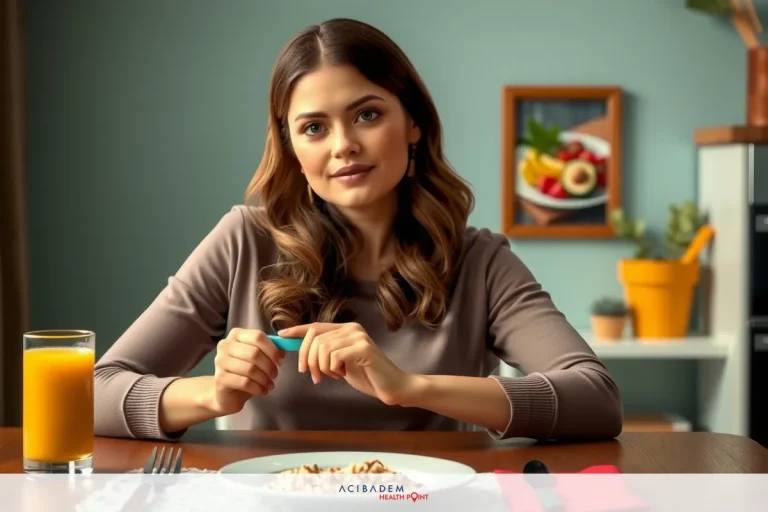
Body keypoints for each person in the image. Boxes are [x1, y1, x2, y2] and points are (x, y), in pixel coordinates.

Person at [94, 18, 622, 442]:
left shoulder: (478, 260)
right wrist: (211, 395)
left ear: (413, 123)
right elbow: (93, 393)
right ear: (293, 149)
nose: (342, 144)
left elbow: (597, 399)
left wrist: (409, 386)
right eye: (314, 128)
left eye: (367, 115)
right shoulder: (243, 242)